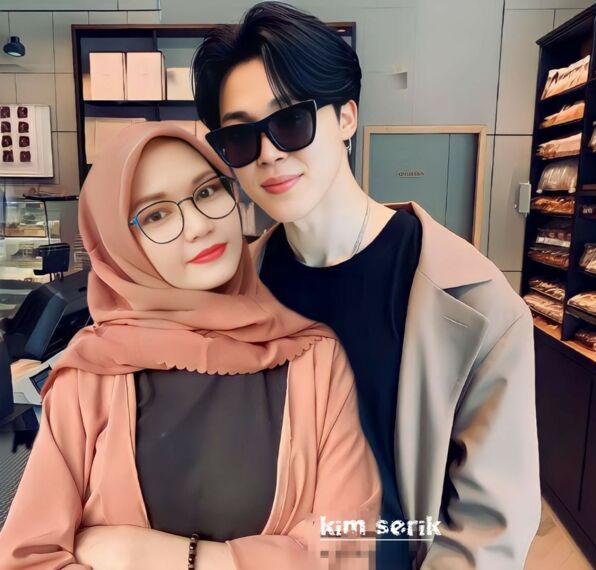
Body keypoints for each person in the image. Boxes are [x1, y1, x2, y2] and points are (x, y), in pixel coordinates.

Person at [192, 2, 541, 569]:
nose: (269, 153)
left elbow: (488, 527)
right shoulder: (229, 299)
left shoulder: (476, 303)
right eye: (240, 138)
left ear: (346, 118)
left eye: (291, 121)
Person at [0, 122, 380, 570]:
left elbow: (347, 547)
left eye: (206, 192)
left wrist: (154, 557)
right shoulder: (91, 376)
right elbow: (27, 558)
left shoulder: (313, 357)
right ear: (120, 244)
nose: (199, 225)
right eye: (155, 215)